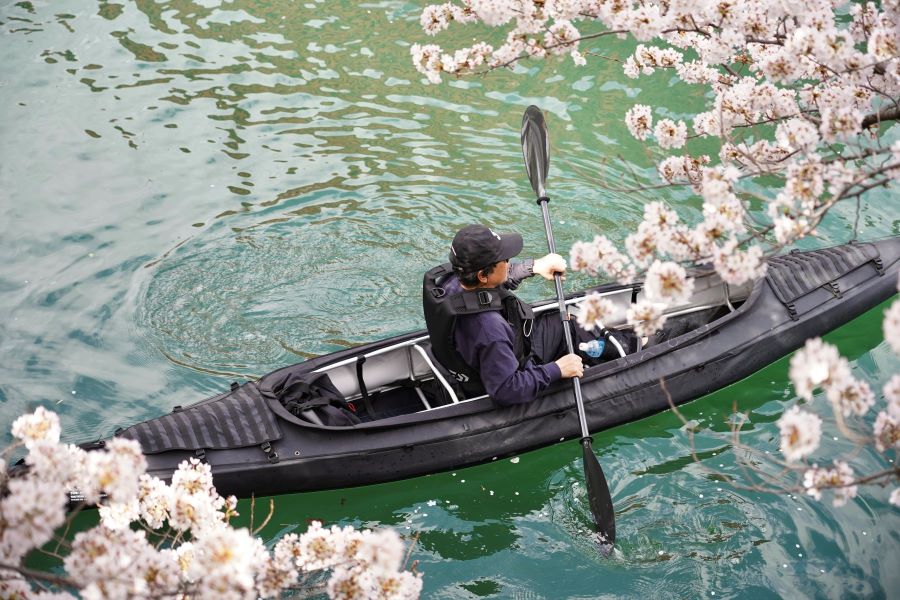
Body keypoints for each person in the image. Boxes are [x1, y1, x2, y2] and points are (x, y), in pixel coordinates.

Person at [422, 224, 591, 406]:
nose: (509, 262)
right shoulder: (489, 330)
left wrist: (534, 266)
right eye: (505, 259)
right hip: (503, 375)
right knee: (573, 324)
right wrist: (557, 369)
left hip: (472, 365)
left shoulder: (451, 280)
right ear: (482, 275)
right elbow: (505, 390)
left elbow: (496, 278)